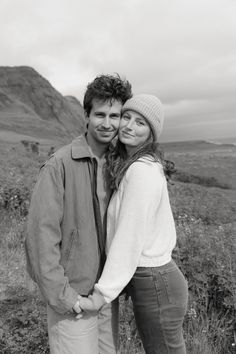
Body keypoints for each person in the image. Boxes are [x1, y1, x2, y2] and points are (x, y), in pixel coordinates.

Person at [25, 74, 132, 354]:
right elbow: (41, 238)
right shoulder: (59, 165)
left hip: (106, 296)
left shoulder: (119, 165)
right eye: (100, 114)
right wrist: (64, 298)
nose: (107, 123)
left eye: (115, 115)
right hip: (73, 298)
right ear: (86, 115)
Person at [79, 94, 189, 353]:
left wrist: (102, 295)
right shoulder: (136, 165)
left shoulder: (141, 171)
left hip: (155, 282)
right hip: (153, 281)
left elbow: (129, 236)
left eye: (140, 123)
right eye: (126, 117)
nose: (129, 126)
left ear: (152, 133)